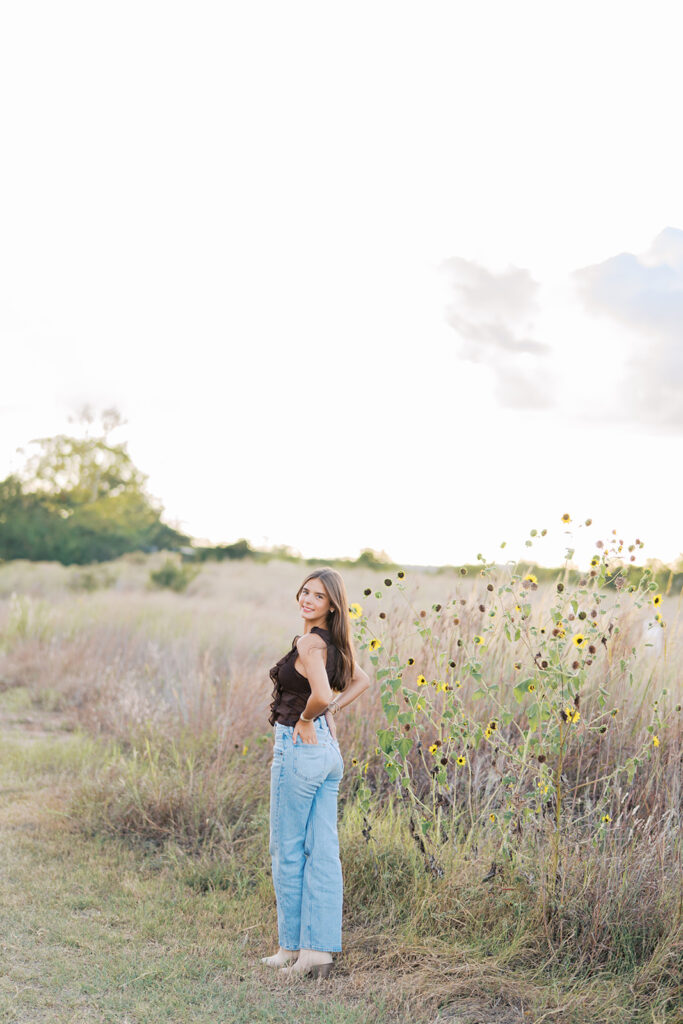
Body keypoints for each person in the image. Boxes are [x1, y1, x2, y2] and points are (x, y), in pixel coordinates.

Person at [261, 567, 370, 979]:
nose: (307, 600)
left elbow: (322, 694)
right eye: (305, 592)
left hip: (299, 745)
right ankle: (315, 955)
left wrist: (310, 718)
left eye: (318, 596)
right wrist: (329, 715)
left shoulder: (309, 642)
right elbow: (361, 680)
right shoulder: (333, 645)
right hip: (327, 752)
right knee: (322, 852)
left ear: (331, 606)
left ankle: (291, 947)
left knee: (287, 849)